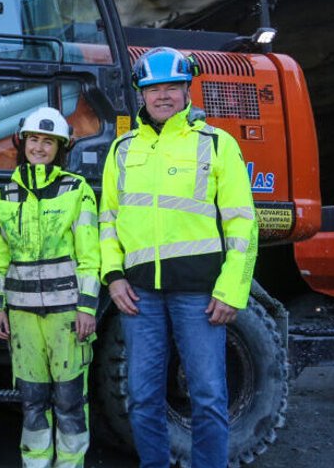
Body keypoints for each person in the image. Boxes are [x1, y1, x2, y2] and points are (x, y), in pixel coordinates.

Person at [100, 47, 257, 468]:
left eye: (172, 87)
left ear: (187, 90)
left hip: (200, 296)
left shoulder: (217, 144)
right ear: (141, 95)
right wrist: (114, 277)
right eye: (154, 88)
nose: (163, 96)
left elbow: (244, 223)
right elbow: (108, 220)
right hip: (139, 296)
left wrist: (231, 290)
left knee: (207, 396)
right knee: (141, 396)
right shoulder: (122, 150)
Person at [0, 107, 100, 468]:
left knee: (69, 401)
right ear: (23, 143)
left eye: (47, 142)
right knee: (33, 400)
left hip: (66, 315)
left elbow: (89, 256)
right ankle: (35, 462)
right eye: (34, 139)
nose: (39, 147)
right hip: (21, 315)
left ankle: (70, 464)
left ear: (60, 147)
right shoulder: (6, 193)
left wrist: (86, 307)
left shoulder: (77, 190)